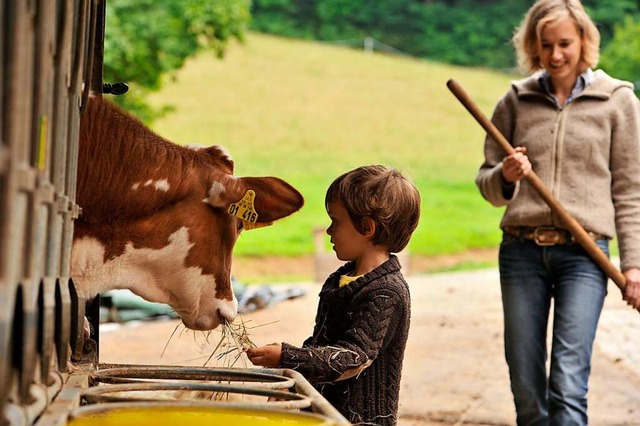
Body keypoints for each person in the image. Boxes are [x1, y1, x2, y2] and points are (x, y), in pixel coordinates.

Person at [475, 0, 640, 424]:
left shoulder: (618, 101)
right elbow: (487, 185)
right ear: (533, 46)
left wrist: (634, 267)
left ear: (584, 40)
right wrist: (507, 175)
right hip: (521, 254)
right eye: (545, 44)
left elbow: (630, 191)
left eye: (564, 43)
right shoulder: (515, 100)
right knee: (526, 386)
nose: (555, 55)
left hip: (585, 256)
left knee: (568, 384)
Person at [246, 165, 421, 425]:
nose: (329, 231)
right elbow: (321, 344)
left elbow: (352, 359)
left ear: (367, 228)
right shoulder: (340, 280)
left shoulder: (386, 292)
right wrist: (293, 381)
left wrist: (288, 356)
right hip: (324, 415)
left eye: (336, 222)